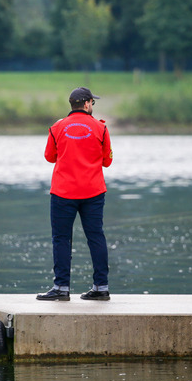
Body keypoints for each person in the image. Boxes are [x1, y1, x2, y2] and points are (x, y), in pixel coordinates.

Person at [37, 87, 113, 301]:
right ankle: (101, 287)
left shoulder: (57, 127)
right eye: (92, 103)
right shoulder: (100, 128)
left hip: (63, 192)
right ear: (87, 104)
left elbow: (49, 157)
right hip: (93, 191)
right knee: (96, 237)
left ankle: (61, 288)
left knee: (61, 239)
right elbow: (107, 161)